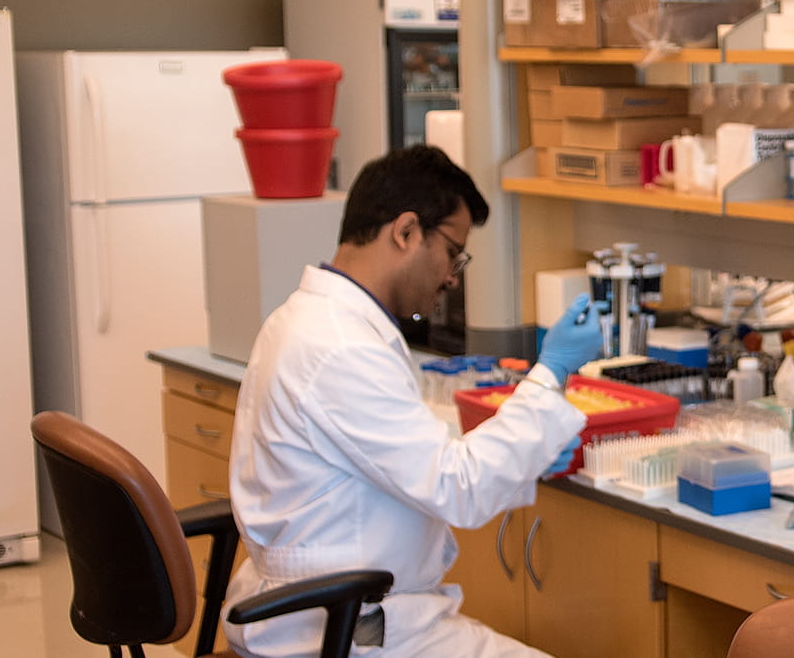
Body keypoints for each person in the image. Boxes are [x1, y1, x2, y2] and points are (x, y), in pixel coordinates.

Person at [224, 145, 603, 657]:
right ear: (405, 232)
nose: (452, 275)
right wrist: (551, 372)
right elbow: (458, 487)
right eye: (452, 252)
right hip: (347, 631)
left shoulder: (314, 320)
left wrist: (523, 453)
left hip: (336, 611)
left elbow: (398, 460)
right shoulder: (339, 345)